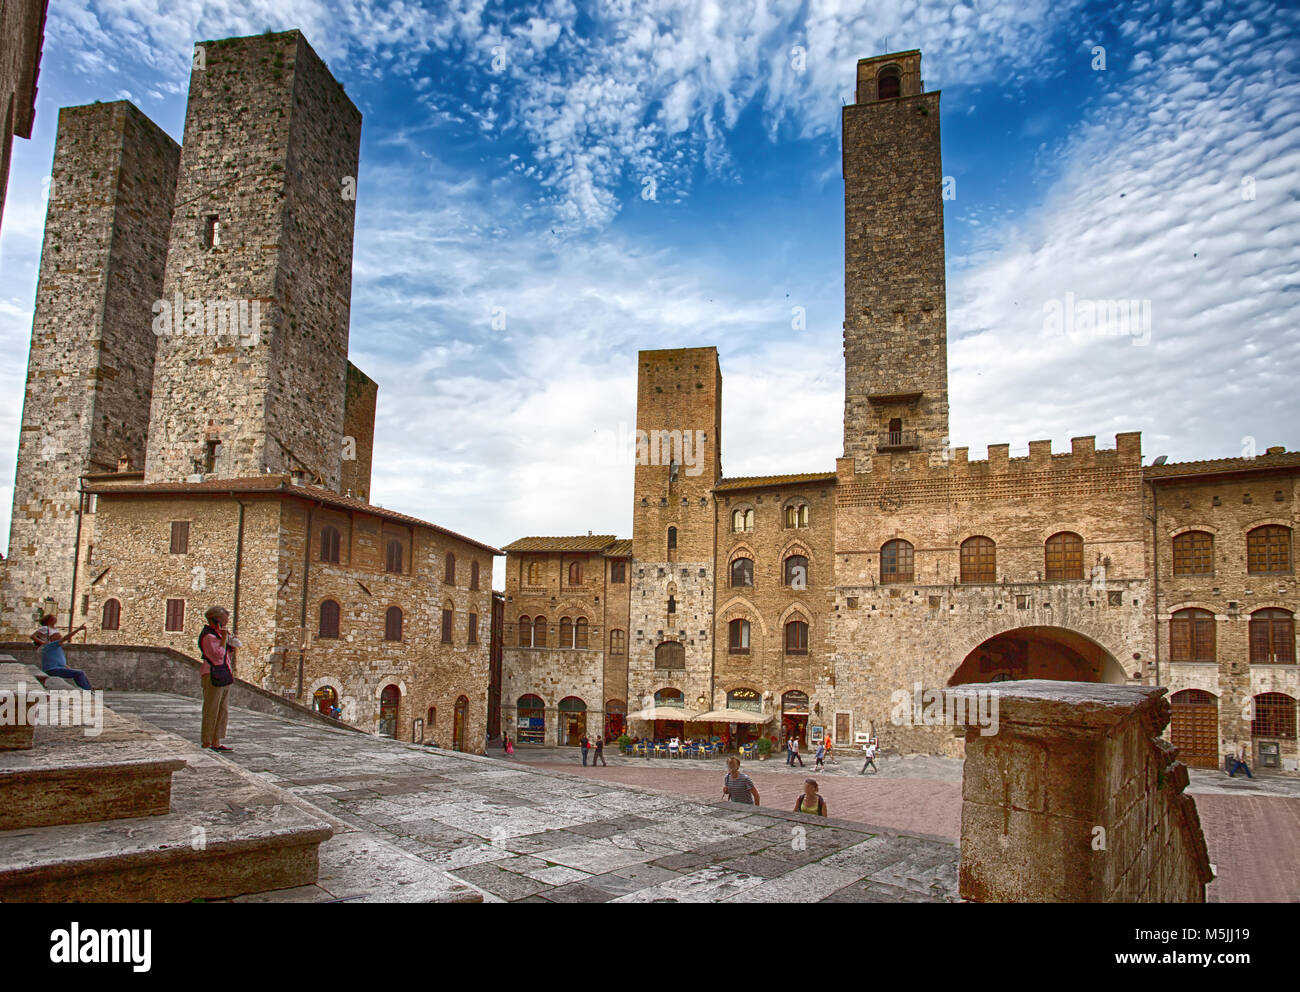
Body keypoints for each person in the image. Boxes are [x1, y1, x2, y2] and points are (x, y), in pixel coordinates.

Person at [198, 605, 237, 751]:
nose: (227, 621)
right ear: (216, 619)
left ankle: (216, 740)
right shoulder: (208, 636)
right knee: (211, 709)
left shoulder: (217, 635)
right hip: (212, 674)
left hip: (223, 674)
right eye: (225, 618)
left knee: (222, 710)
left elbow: (226, 655)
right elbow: (217, 655)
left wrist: (230, 644)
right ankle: (207, 741)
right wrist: (225, 639)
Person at [33, 615, 92, 690]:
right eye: (57, 635)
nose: (59, 635)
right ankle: (87, 691)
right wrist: (78, 629)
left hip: (56, 668)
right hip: (52, 670)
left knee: (80, 673)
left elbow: (62, 663)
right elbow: (66, 638)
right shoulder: (50, 645)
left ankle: (89, 690)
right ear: (52, 638)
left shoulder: (56, 648)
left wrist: (71, 670)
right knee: (79, 673)